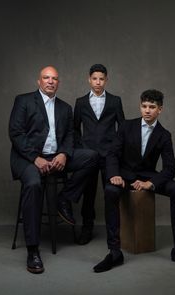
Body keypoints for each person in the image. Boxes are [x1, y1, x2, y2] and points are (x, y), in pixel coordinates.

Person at [93, 89, 175, 272]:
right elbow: (112, 153)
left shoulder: (164, 135)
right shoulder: (126, 126)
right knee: (110, 191)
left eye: (152, 107)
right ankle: (114, 252)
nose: (147, 110)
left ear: (160, 109)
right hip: (123, 175)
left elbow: (170, 169)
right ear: (140, 106)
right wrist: (114, 174)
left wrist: (150, 184)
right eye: (144, 106)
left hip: (147, 176)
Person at [9, 66, 97, 274]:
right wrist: (35, 158)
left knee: (92, 157)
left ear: (59, 83)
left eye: (54, 78)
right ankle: (33, 250)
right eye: (46, 78)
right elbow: (16, 133)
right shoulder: (23, 101)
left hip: (56, 157)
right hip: (27, 158)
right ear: (38, 81)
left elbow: (68, 136)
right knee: (33, 183)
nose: (50, 81)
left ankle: (63, 198)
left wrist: (64, 154)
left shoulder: (65, 108)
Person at [74, 64, 125, 245]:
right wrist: (82, 149)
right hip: (88, 156)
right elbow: (74, 129)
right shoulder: (80, 102)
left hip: (109, 156)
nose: (98, 82)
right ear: (89, 79)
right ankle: (87, 227)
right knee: (88, 194)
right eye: (94, 78)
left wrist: (116, 151)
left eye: (101, 79)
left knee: (111, 192)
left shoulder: (115, 101)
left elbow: (123, 128)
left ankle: (115, 231)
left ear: (106, 80)